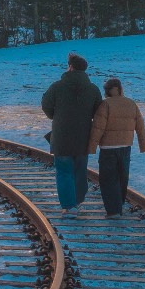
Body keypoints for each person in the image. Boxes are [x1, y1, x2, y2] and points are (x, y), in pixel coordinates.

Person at [41, 52, 101, 210]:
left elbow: (46, 106)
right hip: (83, 136)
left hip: (62, 136)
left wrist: (56, 116)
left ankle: (68, 206)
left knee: (64, 171)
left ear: (71, 67)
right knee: (80, 170)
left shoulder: (57, 86)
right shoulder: (93, 89)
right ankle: (78, 200)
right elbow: (98, 112)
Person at [88, 77, 145, 217]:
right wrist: (143, 145)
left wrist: (91, 147)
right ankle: (119, 204)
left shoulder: (105, 105)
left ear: (107, 91)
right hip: (126, 146)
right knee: (122, 177)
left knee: (108, 179)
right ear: (120, 89)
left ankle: (113, 210)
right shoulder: (131, 104)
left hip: (108, 148)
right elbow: (140, 126)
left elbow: (98, 128)